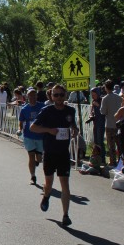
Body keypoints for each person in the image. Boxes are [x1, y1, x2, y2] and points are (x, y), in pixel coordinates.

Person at [31, 84, 79, 226]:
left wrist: (75, 130)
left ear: (65, 96)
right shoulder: (47, 111)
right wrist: (48, 130)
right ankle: (46, 196)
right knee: (49, 183)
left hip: (63, 153)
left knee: (65, 184)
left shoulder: (70, 110)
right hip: (50, 152)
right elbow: (33, 127)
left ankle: (65, 215)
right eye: (56, 95)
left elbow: (73, 125)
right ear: (51, 96)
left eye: (61, 95)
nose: (59, 98)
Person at [18, 88, 45, 184]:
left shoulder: (42, 106)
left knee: (39, 159)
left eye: (34, 95)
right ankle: (33, 176)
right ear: (27, 97)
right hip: (29, 135)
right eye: (30, 96)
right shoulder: (24, 109)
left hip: (40, 136)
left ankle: (37, 161)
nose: (32, 97)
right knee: (31, 156)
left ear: (36, 96)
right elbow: (21, 121)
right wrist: (20, 129)